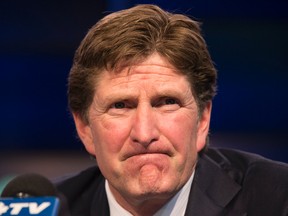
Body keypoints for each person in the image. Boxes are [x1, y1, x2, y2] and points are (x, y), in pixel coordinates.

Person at [57, 4, 288, 216]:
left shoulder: (276, 199)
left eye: (167, 102)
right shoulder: (50, 208)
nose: (145, 134)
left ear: (202, 120)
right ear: (84, 127)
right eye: (120, 106)